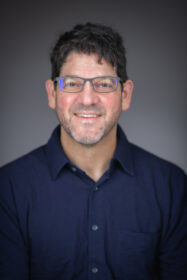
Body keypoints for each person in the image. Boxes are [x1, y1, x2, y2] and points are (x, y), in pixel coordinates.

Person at [0, 22, 186, 280]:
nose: (87, 99)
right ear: (52, 94)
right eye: (73, 83)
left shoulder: (171, 186)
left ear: (126, 95)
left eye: (104, 84)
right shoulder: (9, 188)